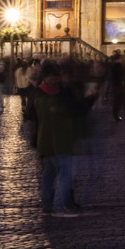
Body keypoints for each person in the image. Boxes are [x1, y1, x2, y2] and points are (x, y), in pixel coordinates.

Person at [34, 68, 85, 216]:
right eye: (53, 78)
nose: (55, 81)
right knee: (64, 174)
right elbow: (77, 110)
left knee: (48, 175)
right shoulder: (60, 97)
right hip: (60, 141)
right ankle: (67, 204)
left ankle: (47, 204)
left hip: (45, 142)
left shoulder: (38, 95)